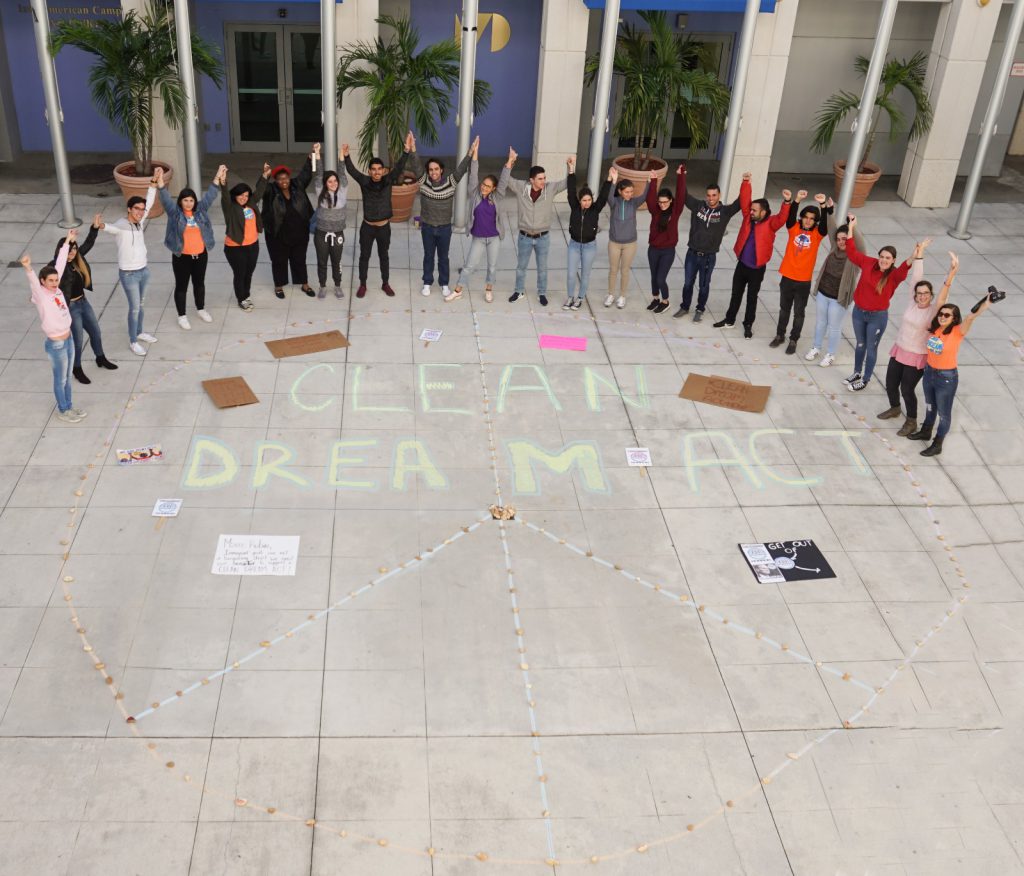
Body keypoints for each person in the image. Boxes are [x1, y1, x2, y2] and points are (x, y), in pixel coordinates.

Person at [878, 244, 957, 438]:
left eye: (926, 294)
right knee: (890, 383)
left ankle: (911, 420)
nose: (922, 296)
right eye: (919, 293)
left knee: (907, 389)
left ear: (930, 296)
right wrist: (919, 255)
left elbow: (944, 294)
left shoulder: (933, 311)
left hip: (917, 356)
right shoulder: (912, 303)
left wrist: (951, 273)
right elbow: (916, 278)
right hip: (900, 349)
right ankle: (895, 408)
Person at [907, 287, 993, 456]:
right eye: (941, 314)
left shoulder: (957, 332)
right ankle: (926, 430)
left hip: (946, 377)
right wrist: (951, 274)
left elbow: (971, 317)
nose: (942, 317)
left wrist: (986, 302)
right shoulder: (936, 328)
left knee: (943, 413)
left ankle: (937, 444)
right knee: (930, 406)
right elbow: (941, 300)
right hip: (930, 372)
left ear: (954, 319)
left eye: (947, 315)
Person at [843, 215, 922, 391]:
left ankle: (866, 378)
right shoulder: (868, 263)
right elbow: (851, 252)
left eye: (888, 258)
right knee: (860, 344)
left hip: (877, 317)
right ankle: (856, 372)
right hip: (859, 312)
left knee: (871, 348)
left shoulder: (894, 276)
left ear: (893, 260)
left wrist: (914, 255)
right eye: (882, 256)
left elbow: (905, 267)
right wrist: (851, 227)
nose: (884, 260)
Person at [21, 231, 87, 422]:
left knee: (67, 377)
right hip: (56, 344)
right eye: (50, 281)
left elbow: (59, 263)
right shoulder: (41, 294)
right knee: (61, 379)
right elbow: (34, 282)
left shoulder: (57, 290)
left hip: (68, 339)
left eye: (56, 280)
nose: (54, 283)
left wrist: (67, 241)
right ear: (43, 282)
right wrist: (28, 268)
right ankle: (63, 410)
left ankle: (69, 406)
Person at [713, 182, 792, 337]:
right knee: (736, 294)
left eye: (755, 210)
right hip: (742, 265)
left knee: (751, 298)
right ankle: (729, 320)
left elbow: (783, 218)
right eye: (751, 209)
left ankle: (748, 325)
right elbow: (745, 200)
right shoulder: (748, 217)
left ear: (764, 212)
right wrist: (746, 183)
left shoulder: (771, 223)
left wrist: (787, 202)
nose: (751, 211)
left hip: (757, 269)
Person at [344, 132, 413, 298]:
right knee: (364, 256)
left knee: (384, 256)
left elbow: (399, 168)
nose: (376, 172)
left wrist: (406, 151)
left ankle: (385, 283)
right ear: (369, 171)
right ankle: (362, 284)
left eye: (379, 169)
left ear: (383, 171)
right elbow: (352, 171)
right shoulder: (364, 181)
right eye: (373, 169)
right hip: (367, 227)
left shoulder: (388, 180)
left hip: (383, 228)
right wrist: (346, 156)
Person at [95, 178, 157, 356]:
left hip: (143, 270)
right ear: (129, 209)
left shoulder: (140, 222)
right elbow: (110, 228)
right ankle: (133, 341)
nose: (140, 212)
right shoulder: (121, 226)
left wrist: (153, 184)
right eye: (136, 208)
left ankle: (140, 331)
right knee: (135, 307)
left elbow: (150, 202)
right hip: (129, 274)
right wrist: (100, 225)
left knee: (142, 305)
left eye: (141, 209)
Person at [674, 170, 744, 322]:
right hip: (692, 254)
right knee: (687, 283)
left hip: (708, 257)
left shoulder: (725, 212)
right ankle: (685, 307)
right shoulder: (698, 206)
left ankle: (700, 309)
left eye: (714, 195)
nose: (711, 198)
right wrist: (681, 176)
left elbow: (740, 202)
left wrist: (745, 183)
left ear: (719, 195)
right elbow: (683, 195)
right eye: (709, 195)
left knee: (704, 285)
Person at [410, 133, 474, 298]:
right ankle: (427, 282)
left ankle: (444, 283)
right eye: (430, 170)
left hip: (445, 228)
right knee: (428, 256)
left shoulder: (450, 182)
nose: (433, 172)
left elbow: (461, 170)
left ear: (441, 170)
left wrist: (470, 153)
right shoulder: (423, 182)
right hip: (428, 227)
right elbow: (416, 165)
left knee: (443, 258)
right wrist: (413, 148)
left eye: (436, 169)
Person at [54, 220, 117, 385]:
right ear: (62, 250)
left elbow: (88, 244)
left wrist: (94, 228)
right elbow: (45, 278)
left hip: (83, 302)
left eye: (74, 249)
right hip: (72, 307)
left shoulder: (76, 260)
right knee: (78, 340)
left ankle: (100, 358)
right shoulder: (57, 267)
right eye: (69, 249)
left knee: (96, 332)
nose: (73, 252)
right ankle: (76, 368)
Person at [156, 165, 219, 330]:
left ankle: (200, 309)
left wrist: (218, 176)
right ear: (180, 201)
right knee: (181, 286)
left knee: (199, 284)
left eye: (191, 200)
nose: (189, 203)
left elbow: (211, 195)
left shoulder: (201, 211)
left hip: (200, 255)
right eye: (185, 200)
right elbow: (164, 198)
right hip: (181, 257)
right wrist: (160, 182)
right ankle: (182, 316)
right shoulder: (175, 213)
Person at [804, 201, 865, 368]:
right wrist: (828, 210)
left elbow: (859, 242)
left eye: (844, 239)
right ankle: (816, 347)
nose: (840, 242)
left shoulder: (855, 256)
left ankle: (830, 354)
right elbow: (832, 228)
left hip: (839, 298)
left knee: (834, 327)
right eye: (838, 239)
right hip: (823, 292)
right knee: (820, 322)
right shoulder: (834, 247)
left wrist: (852, 226)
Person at [451, 140, 512, 303]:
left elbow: (504, 181)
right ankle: (458, 290)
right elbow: (473, 174)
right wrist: (475, 152)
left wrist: (509, 162)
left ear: (493, 188)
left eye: (487, 186)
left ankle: (489, 289)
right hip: (478, 237)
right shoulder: (474, 194)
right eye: (483, 184)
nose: (484, 187)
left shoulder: (497, 197)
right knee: (469, 266)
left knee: (492, 267)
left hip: (493, 238)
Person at [508, 150, 571, 306]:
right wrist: (510, 161)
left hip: (543, 237)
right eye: (540, 178)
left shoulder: (550, 189)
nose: (544, 181)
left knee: (542, 268)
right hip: (524, 236)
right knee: (521, 267)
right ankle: (518, 290)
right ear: (531, 180)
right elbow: (506, 179)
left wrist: (570, 168)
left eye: (544, 178)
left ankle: (542, 293)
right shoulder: (521, 187)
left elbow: (567, 183)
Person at [770, 190, 829, 353]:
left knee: (799, 313)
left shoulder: (817, 235)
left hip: (803, 280)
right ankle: (779, 335)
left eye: (812, 219)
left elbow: (825, 224)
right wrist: (796, 200)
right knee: (784, 309)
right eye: (806, 217)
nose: (808, 221)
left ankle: (794, 339)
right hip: (788, 276)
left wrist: (823, 205)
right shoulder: (793, 228)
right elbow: (790, 215)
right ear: (801, 217)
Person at [261, 148, 316, 299]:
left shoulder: (297, 185)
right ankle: (279, 286)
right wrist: (264, 177)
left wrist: (311, 157)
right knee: (279, 260)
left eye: (285, 178)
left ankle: (304, 284)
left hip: (299, 232)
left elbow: (306, 174)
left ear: (289, 177)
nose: (283, 181)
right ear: (275, 180)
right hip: (277, 234)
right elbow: (260, 190)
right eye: (279, 179)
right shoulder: (271, 190)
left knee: (299, 258)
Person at [564, 157, 611, 310]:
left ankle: (580, 298)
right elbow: (571, 189)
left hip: (590, 246)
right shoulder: (574, 207)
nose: (587, 203)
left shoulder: (595, 209)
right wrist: (571, 170)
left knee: (585, 275)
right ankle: (570, 297)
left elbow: (604, 196)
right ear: (579, 201)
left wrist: (609, 179)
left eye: (589, 200)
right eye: (584, 200)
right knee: (571, 274)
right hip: (574, 245)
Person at [220, 166, 267, 312]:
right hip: (235, 247)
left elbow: (259, 191)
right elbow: (225, 195)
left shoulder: (251, 203)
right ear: (235, 195)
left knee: (249, 272)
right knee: (240, 273)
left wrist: (265, 175)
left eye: (246, 195)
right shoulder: (230, 207)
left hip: (252, 244)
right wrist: (223, 181)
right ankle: (242, 298)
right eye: (241, 195)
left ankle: (246, 295)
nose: (244, 198)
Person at [644, 164, 686, 314]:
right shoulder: (655, 210)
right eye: (660, 202)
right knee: (654, 277)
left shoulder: (675, 212)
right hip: (653, 249)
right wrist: (653, 181)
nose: (662, 205)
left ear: (671, 201)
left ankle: (665, 301)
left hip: (667, 250)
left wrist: (681, 176)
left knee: (661, 278)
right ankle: (655, 298)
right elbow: (649, 200)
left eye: (665, 202)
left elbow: (681, 194)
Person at [604, 167, 648, 309]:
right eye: (627, 192)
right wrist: (613, 181)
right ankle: (610, 294)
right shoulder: (614, 203)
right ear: (620, 191)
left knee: (625, 270)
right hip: (614, 243)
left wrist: (649, 182)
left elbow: (644, 196)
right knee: (613, 270)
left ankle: (622, 296)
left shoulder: (634, 203)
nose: (630, 194)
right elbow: (608, 196)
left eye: (631, 192)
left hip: (630, 244)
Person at [311, 143, 348, 300]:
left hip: (338, 233)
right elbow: (319, 174)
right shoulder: (321, 191)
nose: (333, 183)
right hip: (321, 234)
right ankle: (323, 286)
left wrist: (341, 156)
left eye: (335, 181)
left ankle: (337, 285)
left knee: (337, 261)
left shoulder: (343, 190)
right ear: (325, 184)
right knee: (322, 261)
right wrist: (317, 154)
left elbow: (342, 172)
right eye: (330, 181)